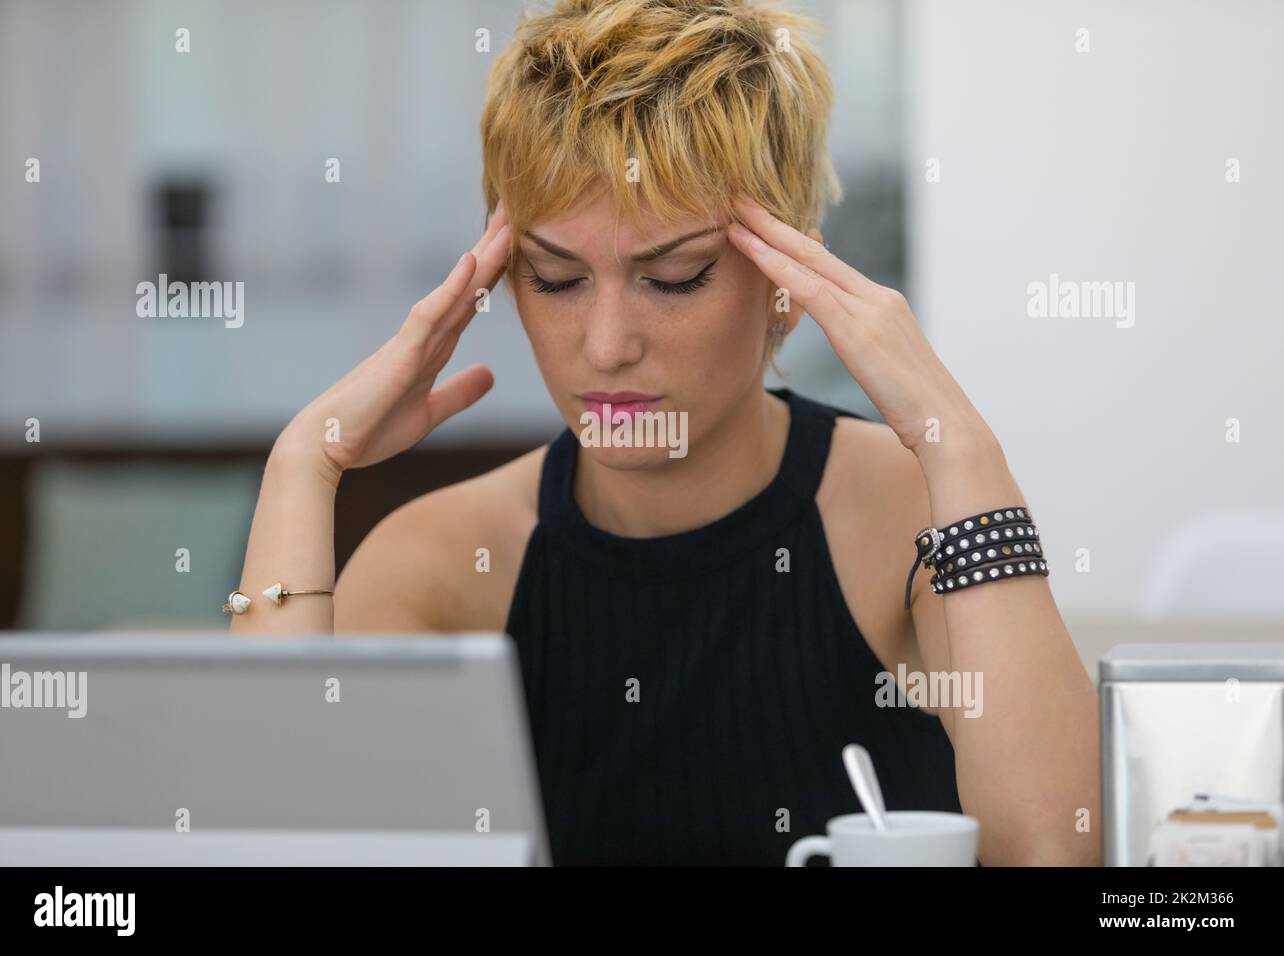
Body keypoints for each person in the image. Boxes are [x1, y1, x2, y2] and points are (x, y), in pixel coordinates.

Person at [229, 0, 1100, 866]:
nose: (607, 348)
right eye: (554, 278)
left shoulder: (914, 514)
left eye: (676, 278)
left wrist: (961, 445)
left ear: (788, 277)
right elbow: (283, 851)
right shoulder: (440, 561)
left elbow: (1059, 852)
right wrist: (304, 462)